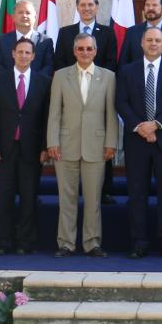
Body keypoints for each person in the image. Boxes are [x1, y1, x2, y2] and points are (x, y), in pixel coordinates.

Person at [116, 27, 162, 258]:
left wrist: (155, 124)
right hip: (137, 141)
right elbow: (121, 102)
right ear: (142, 43)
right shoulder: (128, 70)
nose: (153, 44)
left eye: (158, 40)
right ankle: (139, 241)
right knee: (137, 193)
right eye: (149, 40)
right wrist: (142, 127)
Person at [47, 32, 118, 257]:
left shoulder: (108, 77)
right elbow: (54, 113)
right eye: (80, 49)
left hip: (96, 146)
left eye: (89, 49)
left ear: (95, 51)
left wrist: (111, 143)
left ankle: (92, 242)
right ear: (74, 51)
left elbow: (111, 114)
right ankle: (66, 243)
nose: (85, 53)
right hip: (65, 145)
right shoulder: (60, 76)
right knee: (66, 198)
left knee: (93, 199)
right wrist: (52, 141)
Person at [0, 37, 51, 255]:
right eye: (20, 52)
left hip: (32, 150)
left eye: (27, 53)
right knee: (3, 196)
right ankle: (1, 241)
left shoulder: (43, 81)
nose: (23, 56)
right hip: (3, 148)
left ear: (33, 56)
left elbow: (47, 117)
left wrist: (44, 147)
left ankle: (25, 242)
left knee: (29, 196)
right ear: (13, 54)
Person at [55, 0, 117, 71]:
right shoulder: (64, 33)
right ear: (77, 7)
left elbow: (111, 62)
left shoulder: (108, 33)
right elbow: (59, 61)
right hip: (70, 81)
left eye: (90, 5)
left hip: (99, 81)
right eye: (83, 5)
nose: (87, 8)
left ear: (97, 7)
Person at [0, 1, 55, 78]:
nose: (24, 16)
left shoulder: (45, 41)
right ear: (13, 17)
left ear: (35, 17)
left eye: (28, 13)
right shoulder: (1, 41)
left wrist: (32, 82)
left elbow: (49, 66)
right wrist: (14, 82)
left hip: (37, 87)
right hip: (7, 87)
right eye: (20, 12)